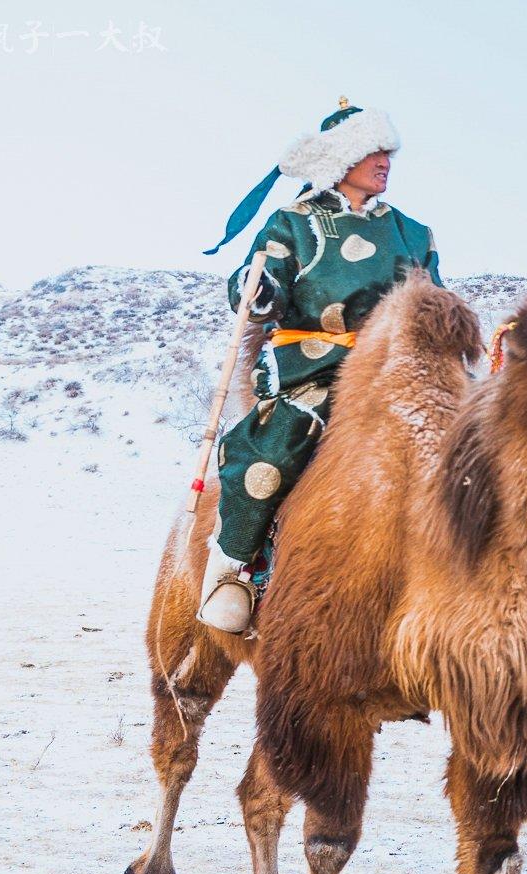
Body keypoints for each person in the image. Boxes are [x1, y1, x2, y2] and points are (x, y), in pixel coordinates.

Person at [196, 99, 440, 633]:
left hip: (401, 374)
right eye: (373, 150)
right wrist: (256, 290)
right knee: (277, 450)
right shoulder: (293, 225)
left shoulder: (413, 233)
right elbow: (258, 286)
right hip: (316, 373)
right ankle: (235, 570)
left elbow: (435, 303)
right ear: (341, 158)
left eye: (388, 151)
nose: (385, 161)